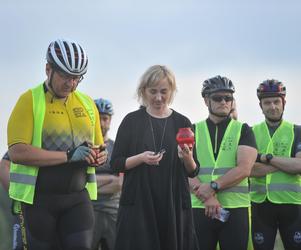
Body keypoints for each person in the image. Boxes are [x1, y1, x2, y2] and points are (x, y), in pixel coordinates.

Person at [7, 38, 107, 250]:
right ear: (48, 69)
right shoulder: (29, 100)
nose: (71, 84)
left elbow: (98, 146)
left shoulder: (87, 103)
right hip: (39, 201)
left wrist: (99, 155)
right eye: (65, 76)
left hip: (77, 198)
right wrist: (68, 156)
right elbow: (17, 152)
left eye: (77, 78)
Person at [110, 65, 200, 250]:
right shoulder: (131, 121)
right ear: (143, 91)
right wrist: (141, 158)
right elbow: (116, 164)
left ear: (172, 91)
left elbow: (193, 171)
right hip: (139, 202)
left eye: (164, 91)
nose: (158, 97)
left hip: (173, 202)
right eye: (153, 91)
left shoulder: (182, 122)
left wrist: (187, 157)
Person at [189, 75, 257, 250]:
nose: (224, 102)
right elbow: (183, 170)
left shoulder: (243, 130)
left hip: (235, 209)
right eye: (217, 98)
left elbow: (244, 169)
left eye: (228, 98)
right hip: (199, 207)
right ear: (206, 101)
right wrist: (207, 196)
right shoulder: (193, 130)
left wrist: (212, 187)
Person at [250, 79, 301, 250]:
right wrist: (286, 162)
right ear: (261, 106)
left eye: (276, 101)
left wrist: (266, 158)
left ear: (284, 102)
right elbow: (249, 169)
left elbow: (299, 166)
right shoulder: (250, 132)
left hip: (292, 205)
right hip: (261, 206)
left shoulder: (297, 131)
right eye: (267, 102)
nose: (272, 107)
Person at [91, 98, 123, 250]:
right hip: (89, 211)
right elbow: (78, 182)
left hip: (113, 212)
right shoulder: (84, 147)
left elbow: (120, 183)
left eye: (105, 118)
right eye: (98, 118)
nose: (101, 123)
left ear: (110, 121)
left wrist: (91, 182)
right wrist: (110, 179)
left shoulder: (117, 148)